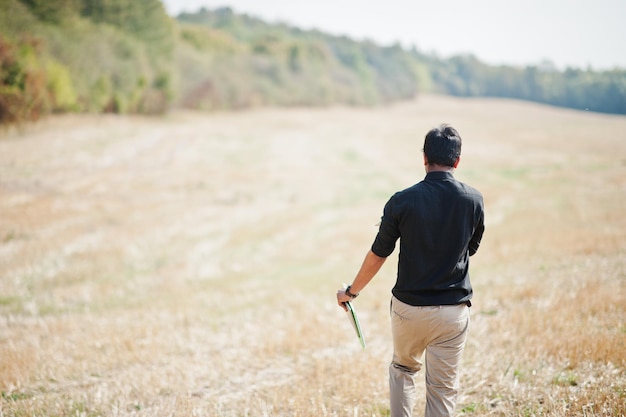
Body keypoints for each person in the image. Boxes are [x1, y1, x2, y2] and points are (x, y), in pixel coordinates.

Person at [337, 124, 485, 417]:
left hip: (409, 310)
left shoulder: (401, 201)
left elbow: (379, 252)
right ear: (457, 161)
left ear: (424, 158)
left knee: (402, 370)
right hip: (453, 313)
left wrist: (351, 292)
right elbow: (471, 248)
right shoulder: (474, 200)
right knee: (443, 390)